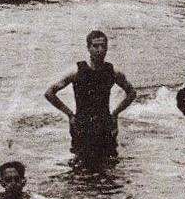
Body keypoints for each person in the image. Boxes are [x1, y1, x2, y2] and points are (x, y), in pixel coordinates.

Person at [46, 29, 137, 159]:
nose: (100, 50)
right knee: (81, 169)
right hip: (82, 125)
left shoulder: (113, 71)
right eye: (95, 46)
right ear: (88, 48)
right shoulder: (77, 70)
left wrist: (115, 114)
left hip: (105, 125)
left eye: (103, 46)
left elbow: (131, 93)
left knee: (109, 168)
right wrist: (70, 114)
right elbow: (50, 93)